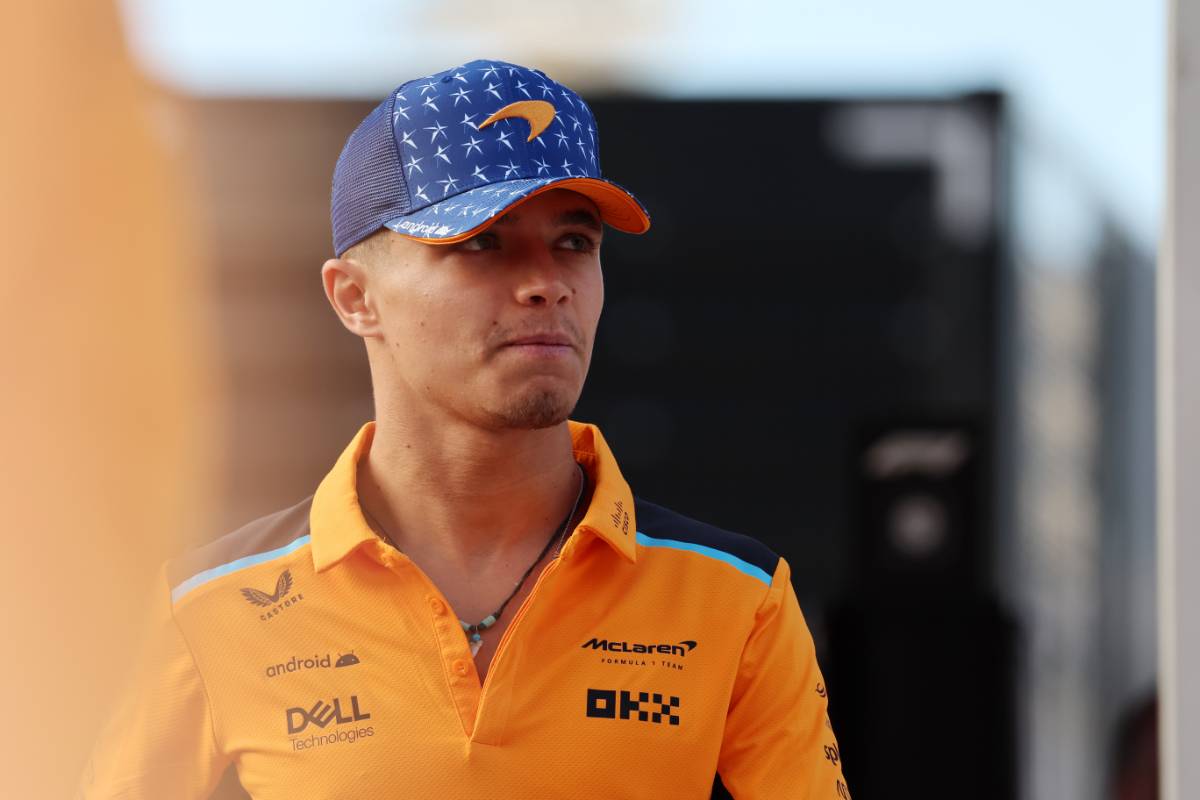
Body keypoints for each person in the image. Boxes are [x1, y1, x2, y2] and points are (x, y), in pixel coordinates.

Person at [77, 58, 850, 800]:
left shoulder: (735, 597)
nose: (546, 283)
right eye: (481, 241)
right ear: (355, 298)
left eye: (574, 242)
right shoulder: (211, 609)